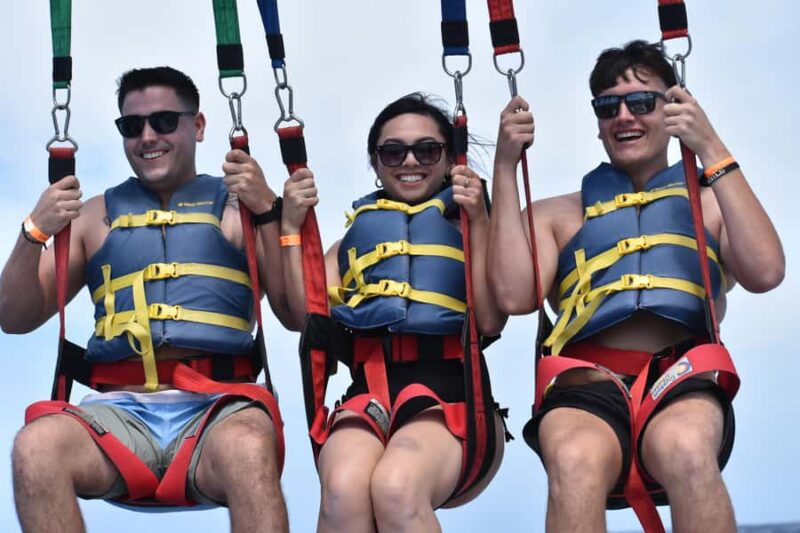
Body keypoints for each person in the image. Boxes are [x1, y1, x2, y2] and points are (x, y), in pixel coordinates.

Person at [488, 40, 784, 532]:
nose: (624, 115)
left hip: (680, 377)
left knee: (689, 452)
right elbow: (515, 298)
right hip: (585, 386)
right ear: (598, 120)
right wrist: (503, 166)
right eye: (609, 107)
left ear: (671, 109)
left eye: (642, 102)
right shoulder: (554, 215)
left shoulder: (711, 204)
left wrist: (709, 146)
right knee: (575, 461)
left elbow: (766, 272)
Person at [0, 66, 291, 532]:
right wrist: (34, 231)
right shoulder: (93, 217)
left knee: (249, 448)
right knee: (34, 448)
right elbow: (13, 318)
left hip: (216, 411)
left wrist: (270, 211)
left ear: (197, 126)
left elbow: (294, 313)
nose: (147, 136)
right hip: (120, 415)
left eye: (163, 122)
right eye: (132, 126)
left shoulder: (238, 207)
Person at [280, 93, 508, 532]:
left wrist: (479, 219)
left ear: (447, 159)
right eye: (393, 151)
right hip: (371, 395)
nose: (410, 161)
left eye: (427, 150)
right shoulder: (357, 239)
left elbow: (492, 318)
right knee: (344, 489)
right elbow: (303, 313)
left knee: (396, 486)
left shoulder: (472, 221)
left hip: (457, 400)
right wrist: (290, 228)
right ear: (375, 161)